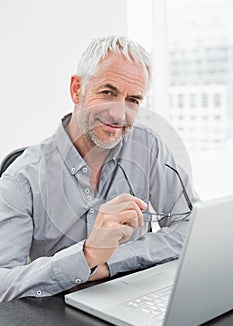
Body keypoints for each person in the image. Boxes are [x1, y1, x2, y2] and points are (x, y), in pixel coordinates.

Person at [0, 36, 198, 302]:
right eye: (108, 92)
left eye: (133, 100)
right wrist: (87, 256)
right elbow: (4, 282)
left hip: (133, 299)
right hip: (57, 316)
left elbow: (191, 226)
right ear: (76, 89)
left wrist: (109, 263)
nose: (119, 114)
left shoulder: (146, 147)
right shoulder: (21, 179)